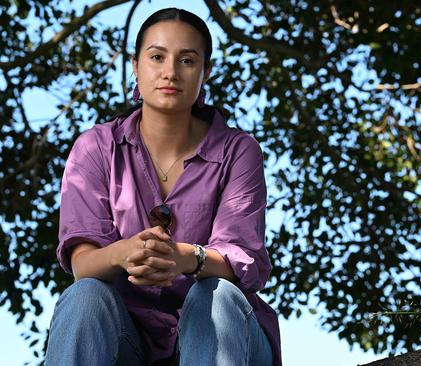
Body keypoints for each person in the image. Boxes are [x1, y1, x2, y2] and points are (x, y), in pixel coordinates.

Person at [44, 7, 281, 366]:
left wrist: (186, 258)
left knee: (214, 296)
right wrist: (125, 252)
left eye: (187, 60)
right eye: (157, 57)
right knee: (85, 297)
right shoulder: (95, 148)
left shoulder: (238, 151)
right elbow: (82, 265)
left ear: (206, 72)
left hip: (226, 340)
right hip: (125, 343)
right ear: (136, 67)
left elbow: (244, 263)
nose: (170, 72)